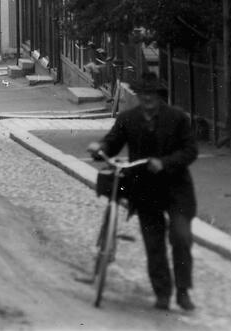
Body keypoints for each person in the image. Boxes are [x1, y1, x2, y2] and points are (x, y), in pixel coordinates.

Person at [87, 76, 199, 313]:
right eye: (143, 93)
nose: (147, 98)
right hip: (145, 190)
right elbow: (112, 142)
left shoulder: (177, 118)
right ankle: (162, 293)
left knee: (181, 237)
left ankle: (183, 291)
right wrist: (100, 149)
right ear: (138, 95)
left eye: (152, 94)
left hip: (176, 188)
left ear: (160, 96)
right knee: (153, 244)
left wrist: (165, 162)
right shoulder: (128, 119)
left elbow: (190, 150)